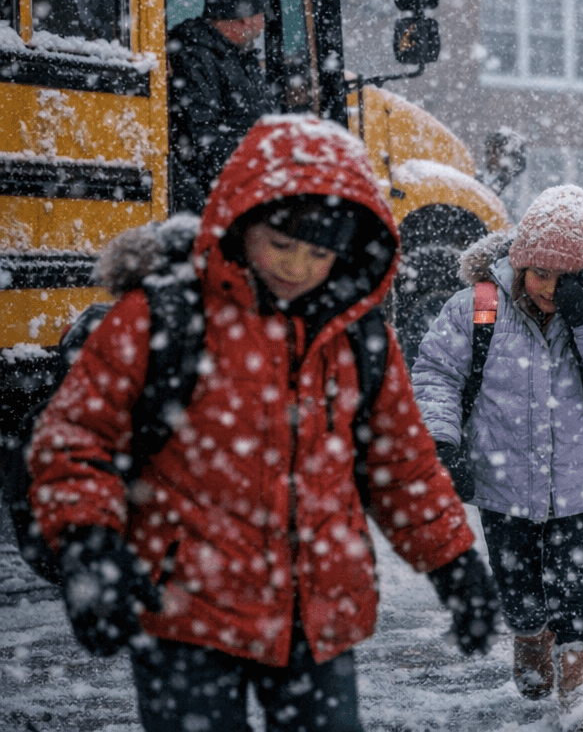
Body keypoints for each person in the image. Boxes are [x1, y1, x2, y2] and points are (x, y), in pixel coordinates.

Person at [27, 115, 499, 732]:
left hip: (318, 616)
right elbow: (73, 441)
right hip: (187, 611)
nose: (299, 268)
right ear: (242, 221)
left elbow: (401, 466)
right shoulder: (166, 316)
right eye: (282, 244)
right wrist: (89, 546)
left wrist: (454, 564)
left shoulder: (360, 339)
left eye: (320, 253)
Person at [411, 184, 583, 732]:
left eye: (562, 276)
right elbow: (435, 375)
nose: (546, 286)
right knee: (516, 583)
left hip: (582, 481)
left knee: (577, 582)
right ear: (518, 263)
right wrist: (441, 441)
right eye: (536, 272)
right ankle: (530, 632)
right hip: (502, 480)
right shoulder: (478, 306)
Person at [166, 0, 281, 214]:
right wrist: (261, 163)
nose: (261, 26)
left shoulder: (234, 56)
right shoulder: (196, 57)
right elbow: (202, 142)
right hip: (223, 199)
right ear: (245, 19)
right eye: (261, 16)